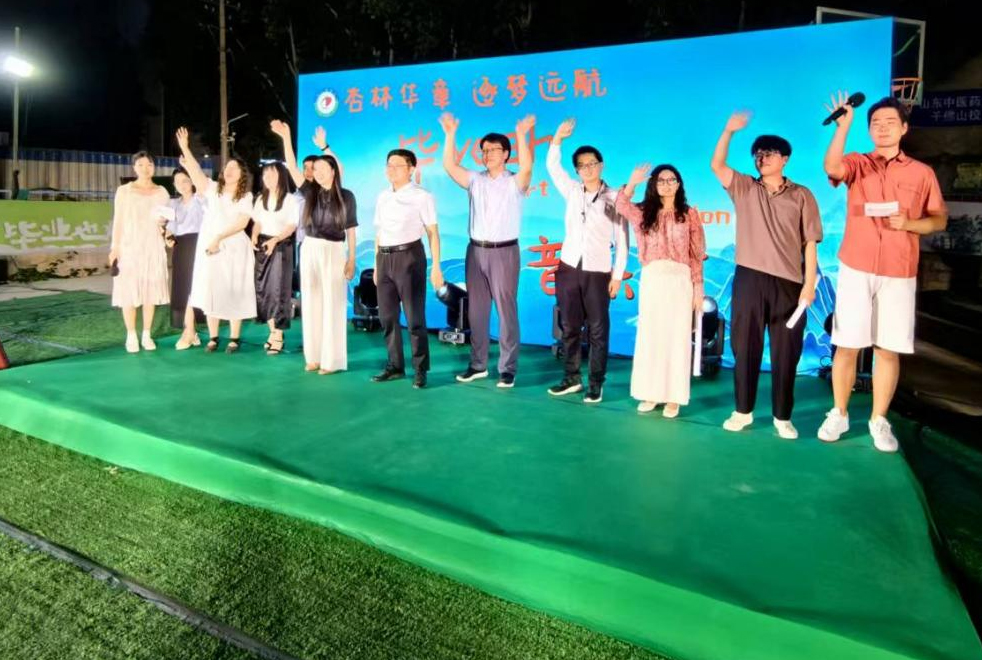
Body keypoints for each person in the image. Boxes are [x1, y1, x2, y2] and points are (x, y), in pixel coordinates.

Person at [817, 94, 948, 452]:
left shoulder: (922, 172)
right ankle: (839, 412)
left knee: (888, 348)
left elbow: (938, 219)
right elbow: (832, 167)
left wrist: (910, 223)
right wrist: (842, 127)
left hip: (899, 269)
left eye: (890, 122)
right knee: (847, 344)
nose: (883, 128)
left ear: (904, 128)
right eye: (876, 123)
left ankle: (878, 419)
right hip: (856, 265)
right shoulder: (859, 163)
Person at [710, 111, 823, 439]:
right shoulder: (745, 187)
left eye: (769, 153)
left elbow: (810, 242)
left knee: (787, 351)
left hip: (789, 283)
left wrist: (809, 285)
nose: (762, 158)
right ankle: (742, 411)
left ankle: (782, 417)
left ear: (785, 159)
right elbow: (717, 165)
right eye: (757, 154)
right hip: (749, 278)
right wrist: (728, 131)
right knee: (745, 346)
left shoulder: (802, 194)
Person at [439, 112, 535, 388]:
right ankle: (478, 364)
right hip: (475, 250)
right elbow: (449, 165)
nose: (487, 154)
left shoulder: (514, 181)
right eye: (484, 150)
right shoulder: (475, 179)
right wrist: (450, 134)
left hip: (504, 252)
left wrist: (521, 134)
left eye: (493, 150)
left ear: (506, 154)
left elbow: (527, 167)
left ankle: (507, 368)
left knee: (506, 310)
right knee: (477, 311)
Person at [544, 118, 628, 404]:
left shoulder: (615, 198)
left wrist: (617, 276)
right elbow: (552, 167)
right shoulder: (571, 190)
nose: (588, 169)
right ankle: (571, 378)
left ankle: (595, 383)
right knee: (569, 327)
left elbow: (623, 239)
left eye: (592, 163)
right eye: (582, 166)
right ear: (577, 171)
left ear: (601, 165)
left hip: (598, 270)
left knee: (597, 330)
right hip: (569, 266)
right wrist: (557, 138)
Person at [616, 164, 706, 417]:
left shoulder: (689, 214)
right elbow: (621, 205)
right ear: (653, 184)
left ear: (679, 184)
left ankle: (674, 397)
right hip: (653, 279)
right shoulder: (643, 213)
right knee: (651, 337)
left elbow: (696, 254)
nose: (667, 184)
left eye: (671, 179)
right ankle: (651, 393)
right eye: (661, 180)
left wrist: (698, 288)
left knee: (677, 338)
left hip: (680, 280)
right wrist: (632, 183)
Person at [270, 120, 357, 374]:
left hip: (334, 250)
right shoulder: (310, 192)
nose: (316, 172)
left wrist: (351, 259)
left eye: (322, 168)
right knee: (311, 302)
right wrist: (286, 137)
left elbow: (351, 229)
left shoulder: (346, 195)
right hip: (310, 248)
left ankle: (332, 361)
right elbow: (292, 167)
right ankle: (314, 356)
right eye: (314, 168)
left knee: (333, 304)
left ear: (333, 171)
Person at [175, 127, 256, 354]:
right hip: (211, 246)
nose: (229, 170)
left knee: (233, 289)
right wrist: (185, 148)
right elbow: (196, 173)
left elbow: (242, 223)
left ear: (242, 175)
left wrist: (219, 237)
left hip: (233, 247)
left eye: (234, 168)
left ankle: (234, 337)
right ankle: (213, 336)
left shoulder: (246, 196)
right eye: (227, 167)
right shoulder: (212, 189)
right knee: (211, 288)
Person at [371, 148, 444, 389]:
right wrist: (376, 265)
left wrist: (436, 266)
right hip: (384, 258)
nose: (391, 170)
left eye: (397, 165)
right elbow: (379, 232)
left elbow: (432, 232)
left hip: (409, 257)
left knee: (414, 317)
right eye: (389, 165)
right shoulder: (382, 196)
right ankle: (395, 366)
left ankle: (420, 369)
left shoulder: (422, 196)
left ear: (411, 169)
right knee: (387, 317)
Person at [109, 150, 171, 353]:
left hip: (153, 246)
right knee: (129, 291)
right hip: (130, 246)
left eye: (149, 165)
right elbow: (118, 220)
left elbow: (166, 221)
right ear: (134, 167)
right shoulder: (124, 191)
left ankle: (146, 334)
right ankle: (131, 335)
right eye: (141, 165)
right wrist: (115, 247)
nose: (146, 169)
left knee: (150, 292)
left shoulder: (162, 192)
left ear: (154, 167)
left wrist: (165, 228)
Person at [251, 160, 298, 355]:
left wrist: (276, 239)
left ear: (281, 176)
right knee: (263, 289)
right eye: (265, 175)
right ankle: (272, 331)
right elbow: (258, 222)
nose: (268, 178)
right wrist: (254, 235)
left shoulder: (290, 200)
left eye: (272, 174)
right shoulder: (260, 198)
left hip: (280, 246)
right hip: (263, 245)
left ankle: (278, 334)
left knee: (279, 291)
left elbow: (291, 226)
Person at [165, 164, 206, 350]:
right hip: (180, 247)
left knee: (194, 288)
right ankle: (191, 331)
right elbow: (170, 229)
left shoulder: (201, 199)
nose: (182, 185)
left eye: (185, 180)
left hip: (199, 245)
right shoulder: (173, 204)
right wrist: (167, 238)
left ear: (192, 181)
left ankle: (189, 332)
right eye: (178, 182)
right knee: (183, 289)